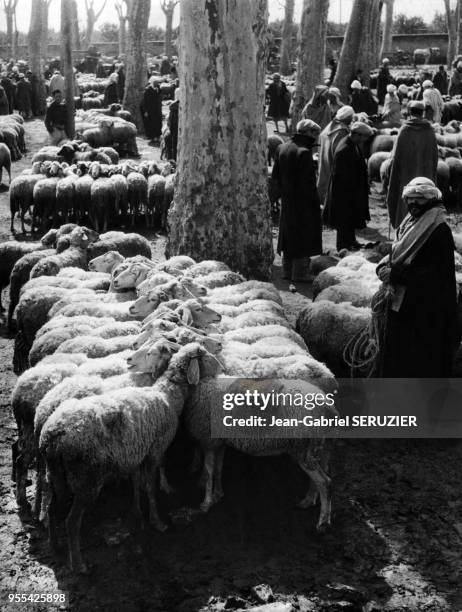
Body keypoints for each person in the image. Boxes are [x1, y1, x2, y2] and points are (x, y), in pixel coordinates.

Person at [373, 177, 458, 378]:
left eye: (418, 199)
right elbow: (397, 253)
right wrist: (385, 267)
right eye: (409, 199)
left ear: (430, 199)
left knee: (419, 365)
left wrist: (396, 274)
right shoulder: (411, 223)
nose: (413, 203)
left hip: (426, 312)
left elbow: (435, 276)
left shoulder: (438, 230)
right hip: (404, 305)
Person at [272, 119, 322, 282]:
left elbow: (275, 177)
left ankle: (287, 271)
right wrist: (314, 204)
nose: (316, 138)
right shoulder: (304, 152)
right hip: (303, 202)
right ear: (309, 133)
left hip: (287, 200)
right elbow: (307, 183)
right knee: (303, 235)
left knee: (288, 235)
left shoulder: (282, 147)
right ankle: (300, 273)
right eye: (315, 134)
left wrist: (279, 196)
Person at [386, 100, 438, 229]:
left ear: (409, 112)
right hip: (425, 176)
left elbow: (395, 156)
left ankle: (404, 228)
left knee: (407, 199)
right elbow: (435, 156)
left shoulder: (404, 130)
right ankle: (424, 227)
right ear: (423, 113)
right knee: (424, 199)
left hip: (405, 176)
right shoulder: (429, 131)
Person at [323, 121, 373, 251]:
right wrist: (350, 192)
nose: (365, 140)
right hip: (344, 192)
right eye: (364, 137)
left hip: (352, 190)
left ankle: (351, 240)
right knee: (344, 219)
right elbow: (341, 175)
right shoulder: (344, 149)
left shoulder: (352, 145)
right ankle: (342, 246)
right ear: (357, 135)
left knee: (350, 218)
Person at [317, 105, 355, 207]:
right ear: (347, 117)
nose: (352, 119)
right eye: (351, 117)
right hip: (335, 168)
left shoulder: (329, 127)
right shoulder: (342, 132)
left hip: (324, 164)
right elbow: (342, 154)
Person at [141, 76, 163, 145]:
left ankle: (157, 136)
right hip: (151, 110)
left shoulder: (158, 89)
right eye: (155, 82)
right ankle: (153, 137)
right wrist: (145, 111)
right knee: (152, 124)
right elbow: (145, 102)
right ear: (152, 82)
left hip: (157, 110)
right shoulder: (148, 90)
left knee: (158, 123)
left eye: (157, 82)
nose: (157, 83)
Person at [166, 88, 179, 160]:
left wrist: (170, 128)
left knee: (175, 145)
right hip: (179, 128)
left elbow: (170, 120)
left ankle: (174, 159)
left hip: (175, 129)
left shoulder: (173, 106)